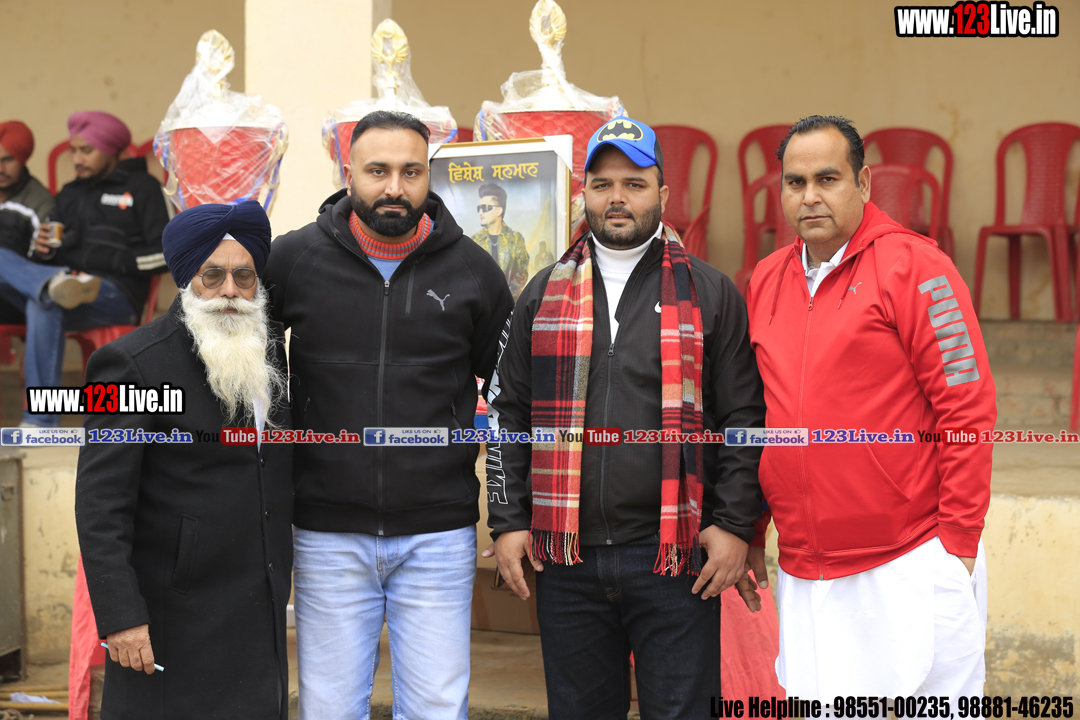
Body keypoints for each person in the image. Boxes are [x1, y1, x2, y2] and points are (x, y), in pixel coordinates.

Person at [484, 116, 766, 719]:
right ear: (583, 194)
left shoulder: (711, 292)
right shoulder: (541, 293)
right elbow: (507, 412)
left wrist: (734, 523)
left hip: (675, 560)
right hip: (566, 560)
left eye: (634, 184)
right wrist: (506, 520)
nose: (617, 198)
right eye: (603, 184)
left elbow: (744, 418)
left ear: (662, 194)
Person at [265, 110, 514, 720]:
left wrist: (509, 514)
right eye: (377, 171)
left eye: (411, 172)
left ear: (430, 176)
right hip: (326, 532)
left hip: (438, 534)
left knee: (436, 708)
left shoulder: (474, 270)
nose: (395, 188)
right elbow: (252, 377)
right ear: (347, 173)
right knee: (329, 708)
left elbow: (511, 399)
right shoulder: (293, 259)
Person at [743, 116, 995, 702]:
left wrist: (958, 541)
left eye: (827, 179)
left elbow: (966, 406)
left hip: (910, 554)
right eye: (795, 182)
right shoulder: (766, 279)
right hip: (807, 566)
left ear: (863, 183)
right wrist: (753, 527)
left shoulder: (916, 266)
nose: (810, 196)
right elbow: (757, 418)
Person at [75, 201, 294, 718]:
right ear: (186, 277)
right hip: (170, 615)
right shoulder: (127, 364)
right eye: (212, 276)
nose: (230, 291)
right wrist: (121, 616)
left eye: (244, 276)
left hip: (256, 604)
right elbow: (101, 503)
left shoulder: (266, 352)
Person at [0, 111, 169, 427]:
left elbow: (166, 254)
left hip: (116, 293)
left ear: (111, 149)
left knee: (44, 300)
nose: (77, 159)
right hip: (67, 286)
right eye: (74, 150)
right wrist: (44, 250)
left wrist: (118, 261)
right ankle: (49, 285)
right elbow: (52, 249)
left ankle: (39, 421)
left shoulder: (142, 187)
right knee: (37, 293)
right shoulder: (70, 193)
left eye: (86, 151)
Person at [0, 120, 53, 322]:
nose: (0, 168)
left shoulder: (40, 202)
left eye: (8, 160)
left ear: (22, 160)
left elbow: (38, 263)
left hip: (15, 296)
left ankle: (46, 288)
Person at [471, 182, 529, 298]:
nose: (480, 212)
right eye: (479, 208)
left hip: (510, 303)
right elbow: (471, 276)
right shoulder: (475, 241)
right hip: (482, 304)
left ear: (499, 211)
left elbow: (522, 273)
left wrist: (506, 297)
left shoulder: (515, 238)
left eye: (485, 208)